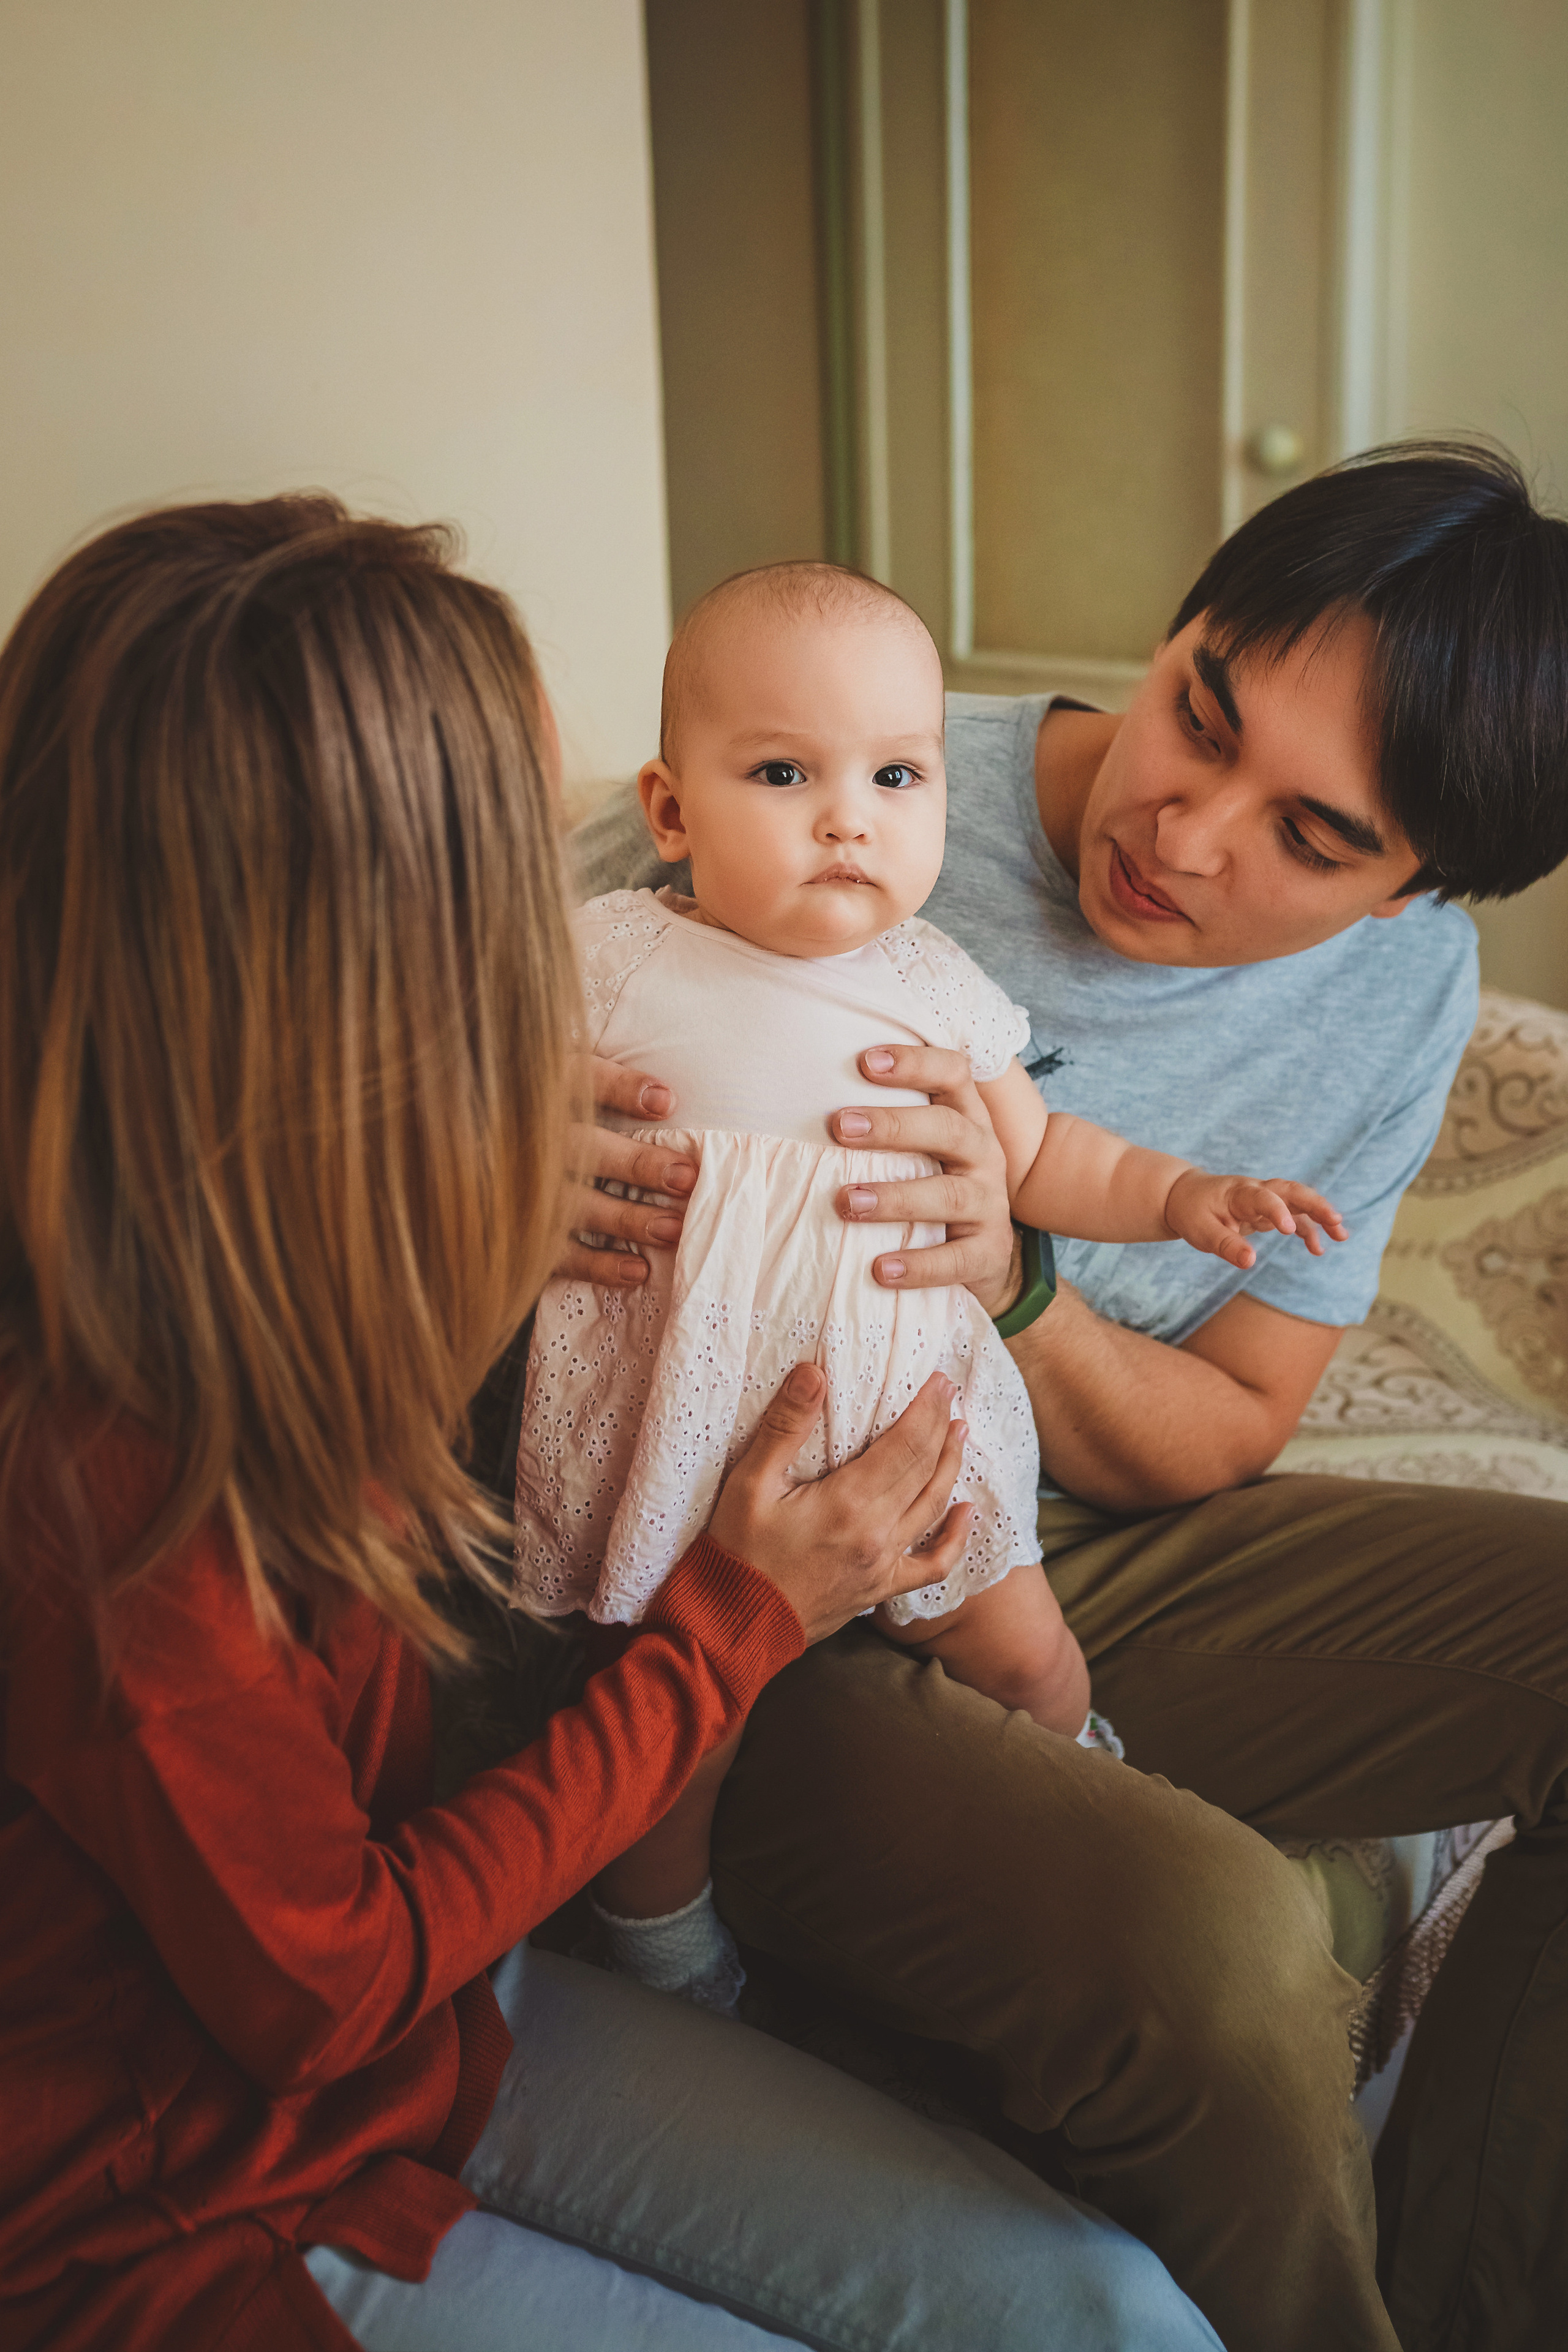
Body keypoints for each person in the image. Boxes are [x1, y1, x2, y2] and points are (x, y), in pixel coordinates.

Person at [0, 499, 1223, 2352]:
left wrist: (992, 1248)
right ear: (350, 965)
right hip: (168, 2209)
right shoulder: (95, 1480)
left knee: (1104, 2312)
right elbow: (321, 1988)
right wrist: (730, 1625)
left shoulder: (333, 1215)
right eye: (511, 876)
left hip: (439, 2028)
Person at [565, 443, 1568, 2352]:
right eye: (1202, 713)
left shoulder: (1406, 991)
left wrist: (1014, 1277)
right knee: (1222, 1958)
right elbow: (421, 1082)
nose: (1186, 832)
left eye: (1313, 837)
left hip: (1056, 1524)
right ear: (1180, 626)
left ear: (1412, 893)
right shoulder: (822, 758)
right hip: (752, 1553)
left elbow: (1233, 1426)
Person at [516, 560, 1344, 2008]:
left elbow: (1052, 1159)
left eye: (896, 776)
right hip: (693, 1445)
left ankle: (1092, 1795)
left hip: (910, 1435)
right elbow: (460, 1090)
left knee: (1026, 1653)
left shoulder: (935, 988)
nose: (848, 817)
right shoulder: (610, 959)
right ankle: (660, 1953)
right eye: (783, 773)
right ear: (669, 812)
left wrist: (1182, 1197)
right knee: (674, 1724)